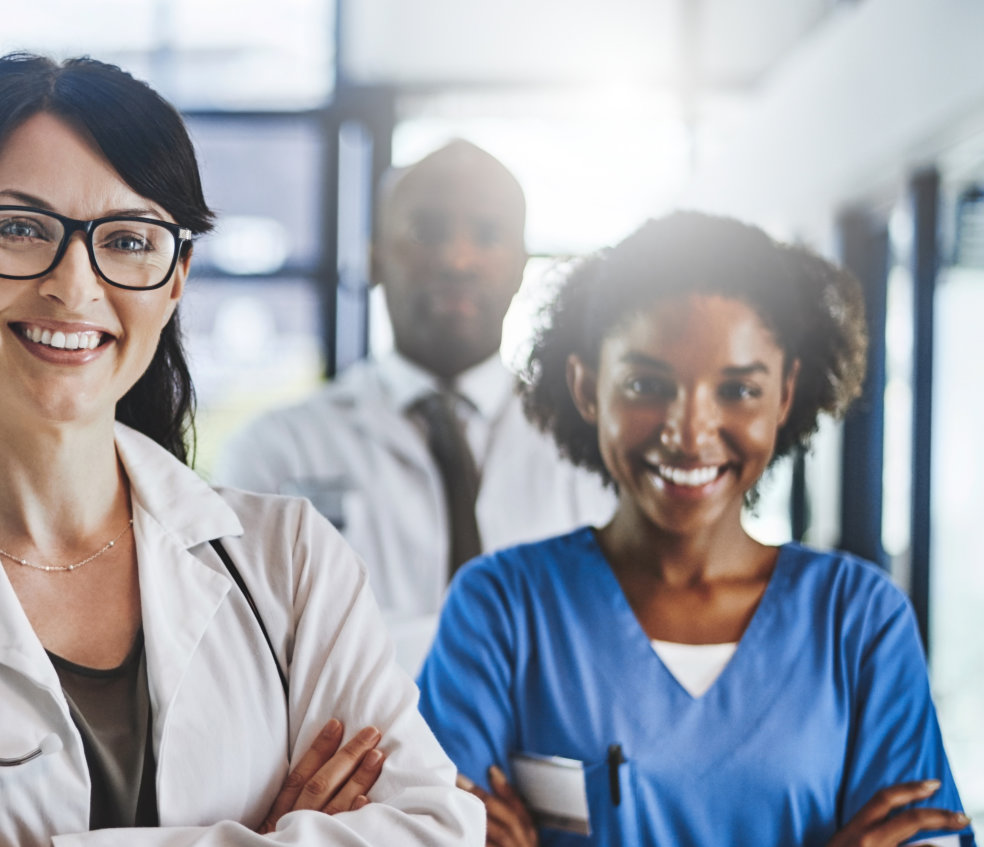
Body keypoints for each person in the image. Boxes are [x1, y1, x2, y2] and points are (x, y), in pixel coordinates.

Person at [0, 54, 481, 846]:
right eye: (18, 229)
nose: (74, 284)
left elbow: (433, 829)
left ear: (175, 280)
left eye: (126, 239)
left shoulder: (290, 564)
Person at [416, 212, 973, 846]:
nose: (689, 432)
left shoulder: (857, 621)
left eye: (737, 390)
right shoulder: (502, 608)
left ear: (785, 395)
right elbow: (432, 837)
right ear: (587, 387)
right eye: (647, 385)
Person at [218, 140, 614, 672]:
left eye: (488, 234)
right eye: (427, 232)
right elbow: (259, 652)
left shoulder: (589, 450)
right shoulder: (276, 450)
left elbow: (606, 640)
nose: (457, 259)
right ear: (374, 257)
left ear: (522, 267)